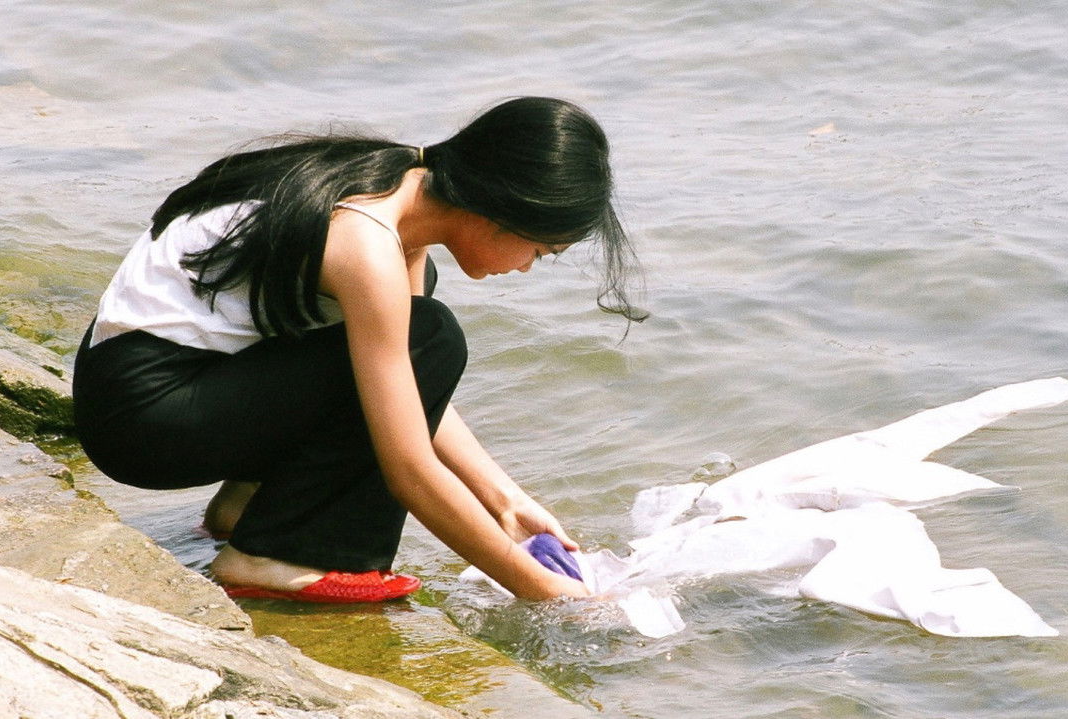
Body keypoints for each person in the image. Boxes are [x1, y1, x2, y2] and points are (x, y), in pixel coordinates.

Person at [72, 96, 643, 603]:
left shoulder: (395, 187)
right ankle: (275, 557)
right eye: (539, 252)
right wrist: (543, 590)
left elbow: (405, 394)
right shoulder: (365, 242)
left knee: (420, 334)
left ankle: (245, 510)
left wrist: (506, 502)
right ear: (503, 211)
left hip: (136, 386)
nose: (525, 268)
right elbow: (408, 468)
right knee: (431, 334)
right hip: (145, 415)